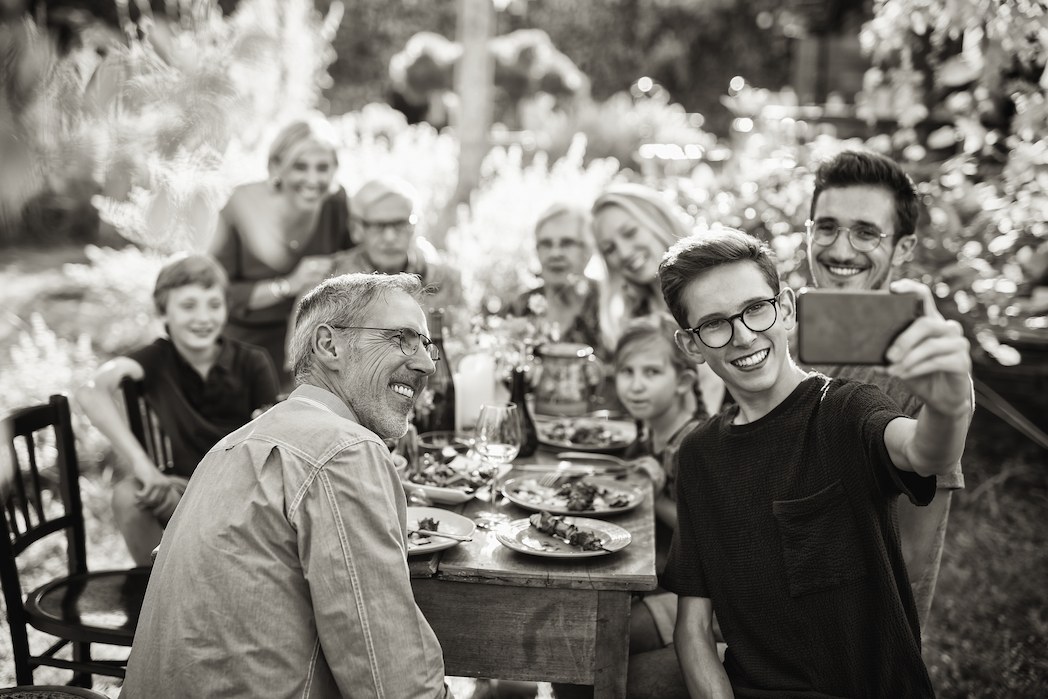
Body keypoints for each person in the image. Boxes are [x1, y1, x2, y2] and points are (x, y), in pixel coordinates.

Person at [657, 228, 972, 697]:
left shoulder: (847, 409)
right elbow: (693, 628)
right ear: (691, 346)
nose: (743, 336)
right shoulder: (700, 454)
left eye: (755, 309)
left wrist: (950, 407)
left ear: (785, 308)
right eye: (715, 324)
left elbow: (923, 452)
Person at [121, 273, 453, 698]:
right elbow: (391, 680)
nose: (427, 364)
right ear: (329, 345)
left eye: (426, 345)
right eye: (401, 338)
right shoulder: (346, 449)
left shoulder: (228, 446)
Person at [804, 149, 967, 629]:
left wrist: (952, 407)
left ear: (903, 248)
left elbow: (910, 558)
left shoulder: (924, 367)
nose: (840, 250)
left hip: (855, 637)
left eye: (866, 232)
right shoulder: (782, 338)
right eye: (826, 227)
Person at [75, 253, 278, 566]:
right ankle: (155, 585)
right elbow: (91, 391)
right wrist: (143, 466)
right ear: (163, 310)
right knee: (127, 495)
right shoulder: (155, 359)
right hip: (180, 493)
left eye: (214, 304)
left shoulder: (252, 361)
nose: (203, 317)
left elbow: (274, 437)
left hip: (241, 493)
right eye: (188, 305)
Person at [210, 115, 353, 390]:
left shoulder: (336, 204)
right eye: (300, 166)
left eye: (323, 167)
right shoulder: (242, 207)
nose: (313, 179)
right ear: (276, 166)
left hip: (313, 344)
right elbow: (218, 293)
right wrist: (289, 284)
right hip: (246, 346)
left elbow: (357, 257)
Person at [592, 183, 725, 416]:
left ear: (657, 221)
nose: (624, 253)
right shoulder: (634, 314)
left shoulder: (710, 291)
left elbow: (711, 391)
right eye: (610, 249)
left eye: (630, 233)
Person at [334, 176, 463, 313]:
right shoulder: (333, 280)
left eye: (400, 224)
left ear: (415, 226)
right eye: (378, 226)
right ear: (356, 229)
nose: (390, 237)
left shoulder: (445, 280)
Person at [507, 202, 601, 350]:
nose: (555, 254)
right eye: (546, 244)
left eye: (567, 243)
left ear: (588, 251)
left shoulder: (608, 304)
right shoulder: (520, 307)